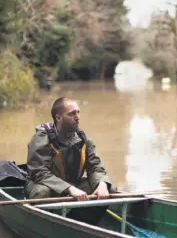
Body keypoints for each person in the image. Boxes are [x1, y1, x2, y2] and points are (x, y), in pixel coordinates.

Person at [25, 96, 115, 225]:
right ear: (58, 117)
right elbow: (39, 172)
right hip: (47, 185)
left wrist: (102, 184)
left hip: (73, 184)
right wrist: (69, 189)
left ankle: (79, 222)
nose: (77, 117)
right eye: (72, 114)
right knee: (41, 192)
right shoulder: (42, 137)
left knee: (109, 189)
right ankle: (49, 226)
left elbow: (95, 166)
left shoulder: (82, 138)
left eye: (78, 112)